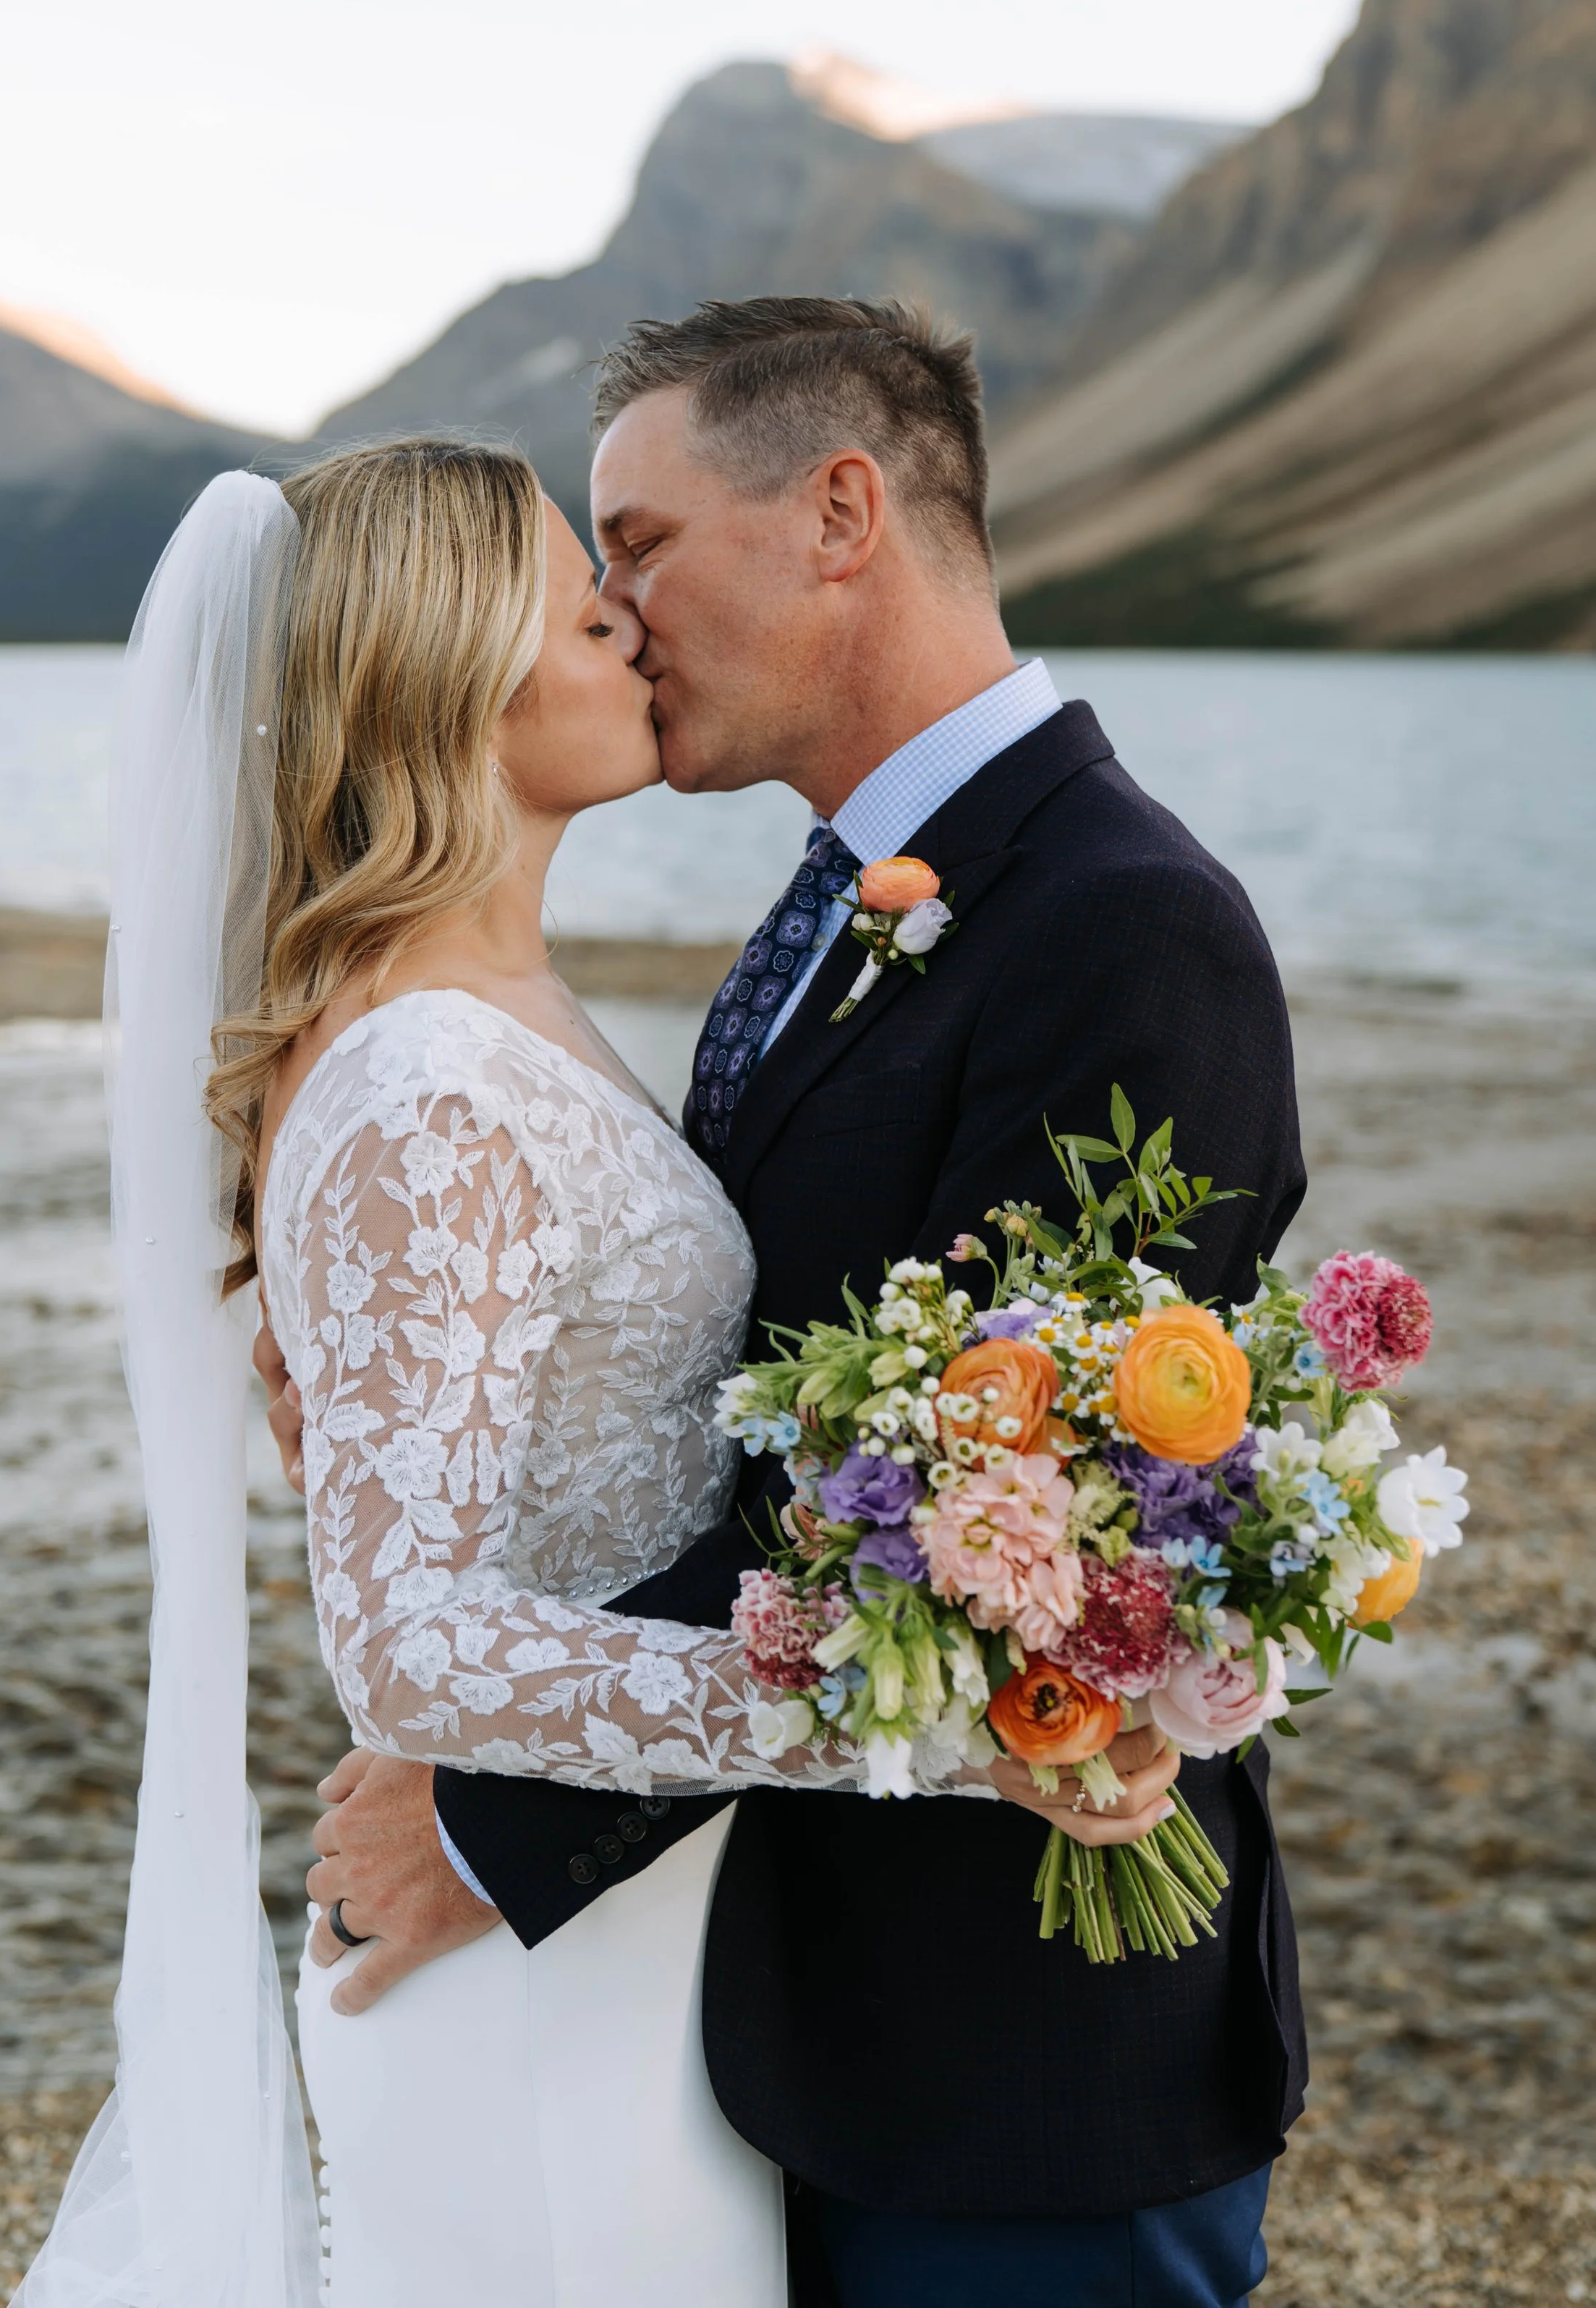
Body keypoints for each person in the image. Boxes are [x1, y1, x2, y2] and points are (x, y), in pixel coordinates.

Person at [286, 299, 1310, 2308]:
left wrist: (500, 1815)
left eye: (641, 543)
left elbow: (1006, 1525)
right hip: (788, 2013)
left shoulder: (1124, 925)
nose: (618, 608)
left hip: (1015, 2041)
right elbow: (761, 1422)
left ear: (839, 508)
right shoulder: (851, 890)